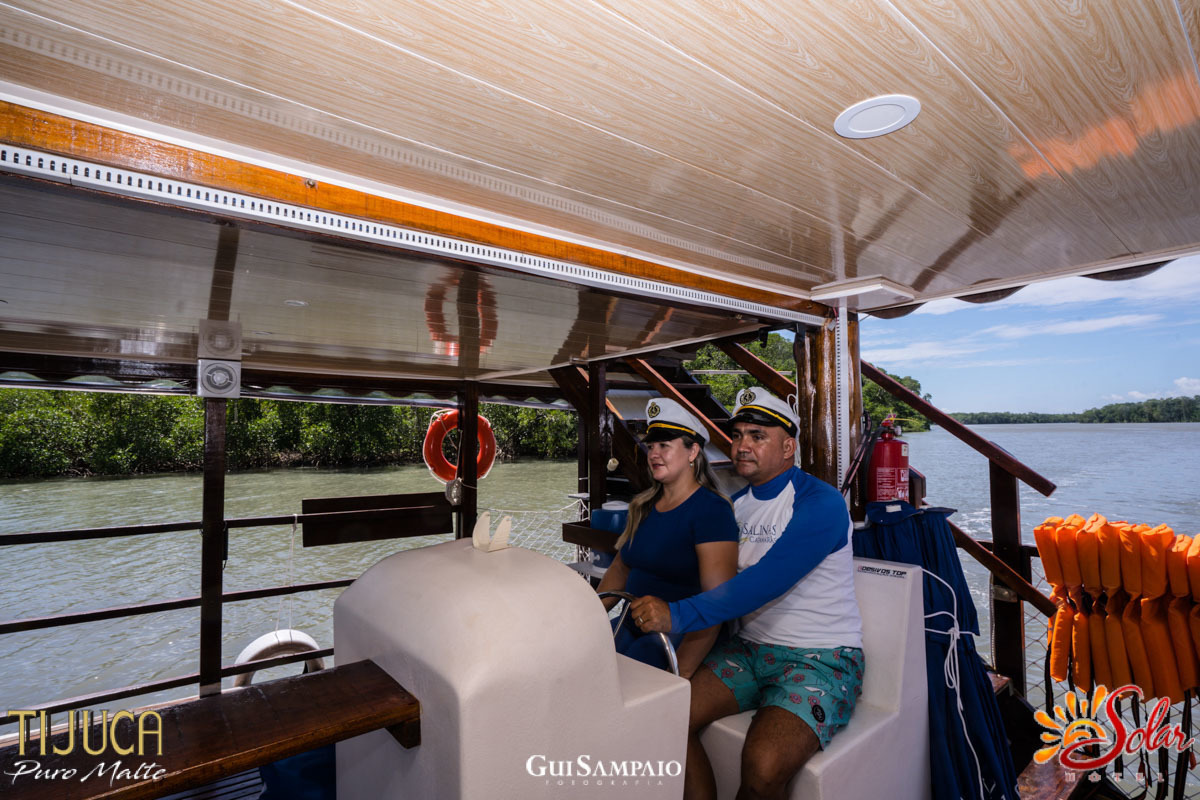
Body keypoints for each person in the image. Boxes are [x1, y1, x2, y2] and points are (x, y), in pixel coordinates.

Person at [630, 387, 863, 800]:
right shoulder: (734, 506)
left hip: (820, 658)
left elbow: (766, 581)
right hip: (748, 650)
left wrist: (677, 615)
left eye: (757, 435)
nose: (742, 445)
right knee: (663, 714)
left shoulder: (819, 502)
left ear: (788, 446)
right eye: (737, 435)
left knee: (762, 767)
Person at [595, 397, 738, 677]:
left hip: (678, 635)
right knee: (578, 660)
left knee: (619, 683)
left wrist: (680, 676)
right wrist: (586, 617)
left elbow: (717, 604)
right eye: (651, 446)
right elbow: (621, 567)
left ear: (693, 451)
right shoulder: (643, 506)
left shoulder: (712, 511)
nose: (654, 454)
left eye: (664, 446)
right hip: (630, 624)